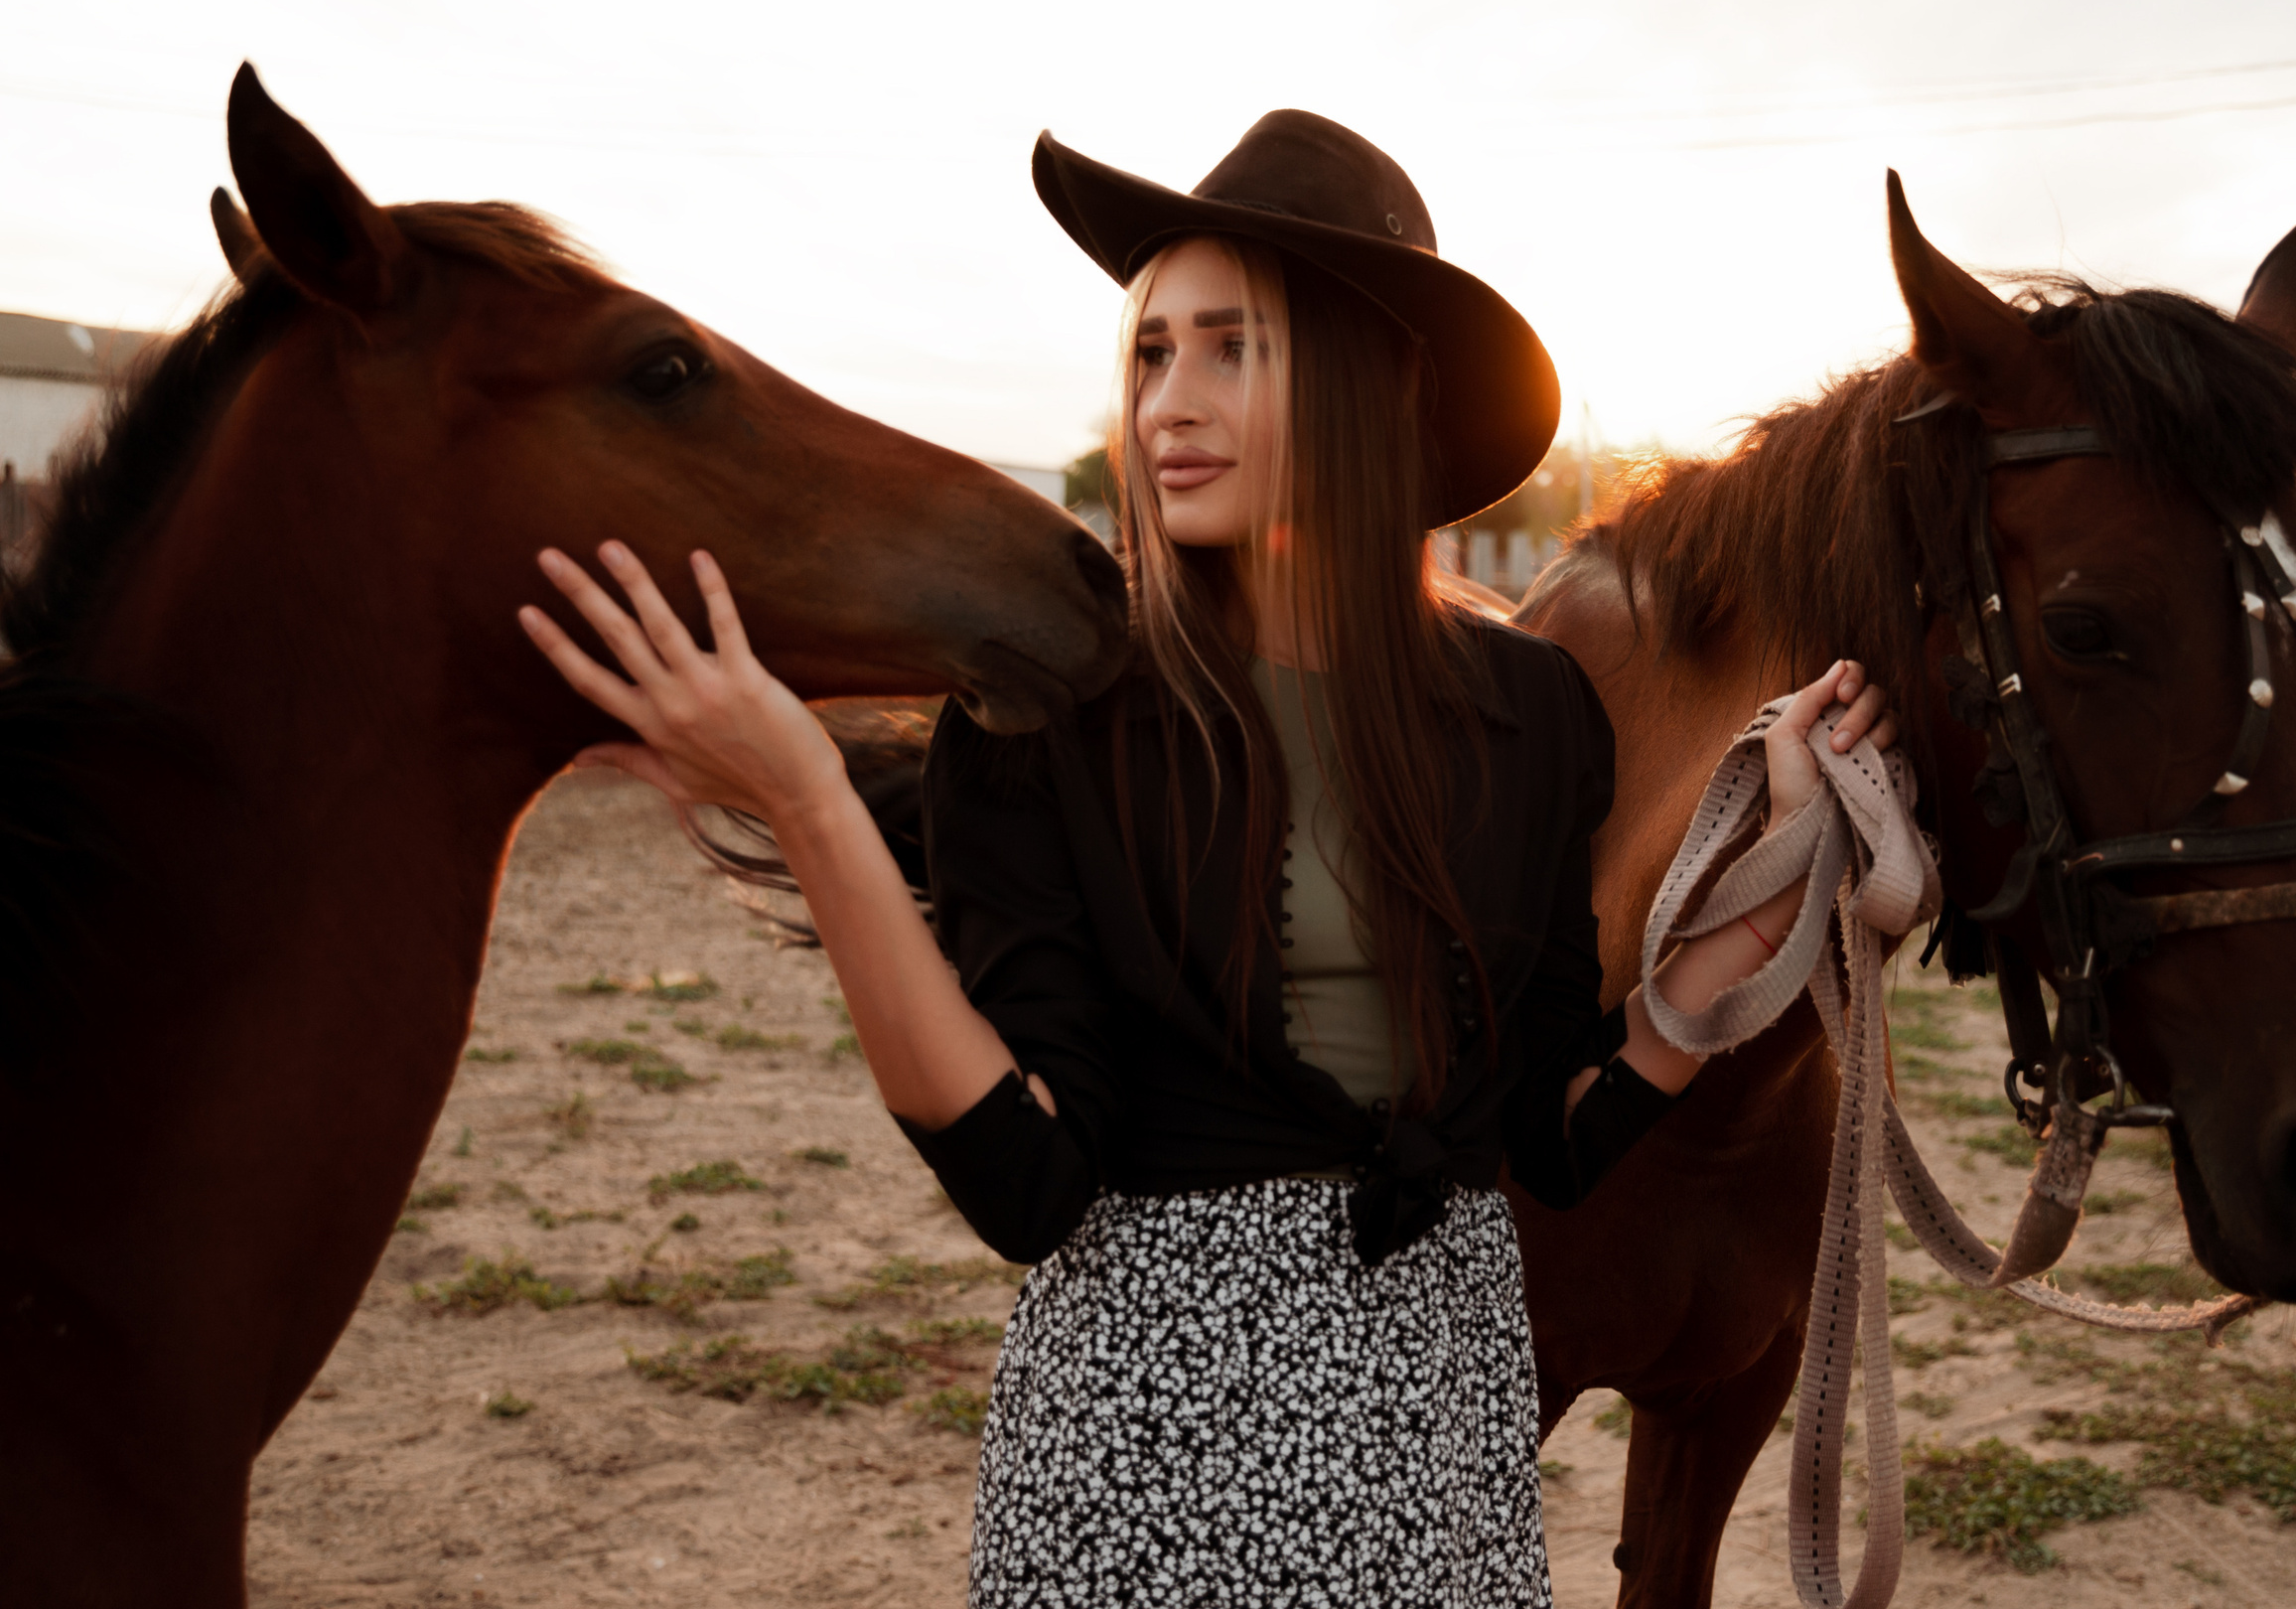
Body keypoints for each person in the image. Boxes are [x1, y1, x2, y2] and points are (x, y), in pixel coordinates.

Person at [517, 110, 1895, 1608]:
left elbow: (1546, 1136)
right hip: (1139, 1455)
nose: (1167, 404)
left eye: (1231, 349)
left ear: (1380, 386)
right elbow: (1028, 1180)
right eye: (1151, 354)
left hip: (1440, 1454)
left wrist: (1719, 959)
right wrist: (808, 798)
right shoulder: (1058, 722)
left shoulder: (1533, 713)